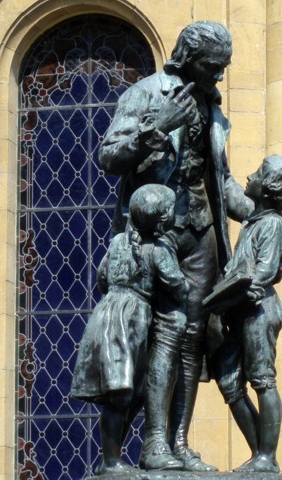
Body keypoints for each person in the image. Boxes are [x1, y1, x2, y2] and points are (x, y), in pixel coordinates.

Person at [99, 20, 253, 471]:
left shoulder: (212, 105)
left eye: (223, 67)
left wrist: (264, 210)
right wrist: (156, 129)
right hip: (155, 233)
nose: (220, 75)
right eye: (213, 66)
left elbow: (221, 180)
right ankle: (148, 445)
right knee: (153, 338)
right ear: (188, 58)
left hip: (201, 231)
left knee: (191, 338)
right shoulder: (147, 93)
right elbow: (109, 156)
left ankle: (178, 443)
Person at [70, 184, 188, 475]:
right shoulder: (158, 251)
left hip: (107, 316)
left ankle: (110, 459)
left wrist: (117, 296)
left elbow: (101, 278)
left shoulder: (117, 242)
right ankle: (111, 462)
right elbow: (176, 286)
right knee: (124, 393)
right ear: (162, 220)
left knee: (119, 393)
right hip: (131, 323)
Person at [207, 154, 282, 473]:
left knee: (263, 379)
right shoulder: (255, 216)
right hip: (240, 310)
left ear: (270, 186)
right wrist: (215, 151)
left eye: (259, 173)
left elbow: (262, 273)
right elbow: (228, 188)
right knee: (228, 377)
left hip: (258, 310)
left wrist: (229, 292)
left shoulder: (273, 224)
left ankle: (267, 456)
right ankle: (257, 453)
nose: (251, 175)